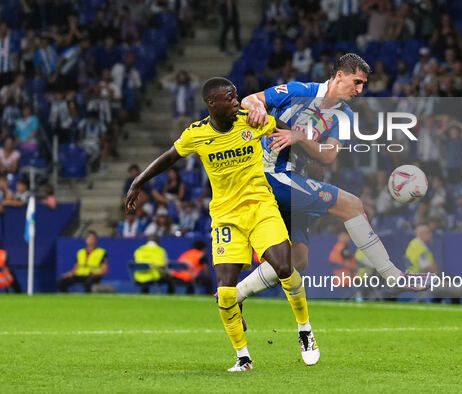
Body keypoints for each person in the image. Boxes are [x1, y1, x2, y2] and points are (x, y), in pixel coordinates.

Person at [125, 77, 319, 371]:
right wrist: (138, 182)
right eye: (229, 98)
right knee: (226, 292)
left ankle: (305, 331)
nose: (236, 101)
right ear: (212, 103)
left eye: (236, 96)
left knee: (283, 266)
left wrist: (296, 139)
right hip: (226, 217)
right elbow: (169, 157)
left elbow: (287, 130)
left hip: (260, 207)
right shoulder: (197, 134)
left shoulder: (252, 121)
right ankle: (243, 358)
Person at [236, 53, 426, 305]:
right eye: (356, 82)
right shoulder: (299, 90)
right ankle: (392, 276)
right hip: (267, 173)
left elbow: (329, 155)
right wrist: (259, 110)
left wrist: (300, 138)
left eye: (363, 85)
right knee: (352, 205)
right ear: (339, 75)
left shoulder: (345, 115)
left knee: (297, 260)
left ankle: (234, 295)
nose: (360, 89)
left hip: (292, 177)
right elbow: (249, 100)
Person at [405, 224, 462, 303]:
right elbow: (430, 269)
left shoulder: (414, 244)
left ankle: (438, 301)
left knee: (448, 279)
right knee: (454, 285)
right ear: (421, 234)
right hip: (421, 280)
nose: (431, 235)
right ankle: (452, 304)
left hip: (416, 278)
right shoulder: (420, 248)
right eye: (428, 233)